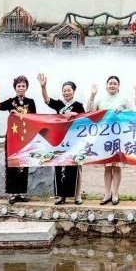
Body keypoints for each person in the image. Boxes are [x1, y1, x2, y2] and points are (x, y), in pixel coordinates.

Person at [0, 76, 38, 203]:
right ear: (15, 88)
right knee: (12, 164)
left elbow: (34, 119)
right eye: (19, 86)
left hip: (25, 138)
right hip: (13, 137)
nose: (21, 88)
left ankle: (21, 193)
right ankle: (12, 193)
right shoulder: (11, 101)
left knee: (23, 164)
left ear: (26, 87)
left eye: (23, 86)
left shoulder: (31, 102)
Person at [42, 74, 86, 204]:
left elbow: (85, 119)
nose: (66, 92)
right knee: (59, 166)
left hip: (74, 141)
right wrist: (43, 86)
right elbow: (46, 100)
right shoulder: (59, 104)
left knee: (76, 167)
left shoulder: (78, 105)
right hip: (60, 141)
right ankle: (61, 195)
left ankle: (77, 195)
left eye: (69, 90)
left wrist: (75, 114)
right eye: (64, 90)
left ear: (73, 92)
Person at [89, 75, 132, 205]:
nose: (112, 85)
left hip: (119, 137)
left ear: (119, 86)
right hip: (105, 136)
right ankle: (107, 193)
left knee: (116, 166)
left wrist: (123, 112)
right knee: (107, 166)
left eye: (115, 83)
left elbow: (133, 113)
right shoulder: (100, 98)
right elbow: (90, 112)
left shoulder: (124, 99)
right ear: (106, 85)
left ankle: (115, 193)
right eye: (110, 83)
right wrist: (92, 96)